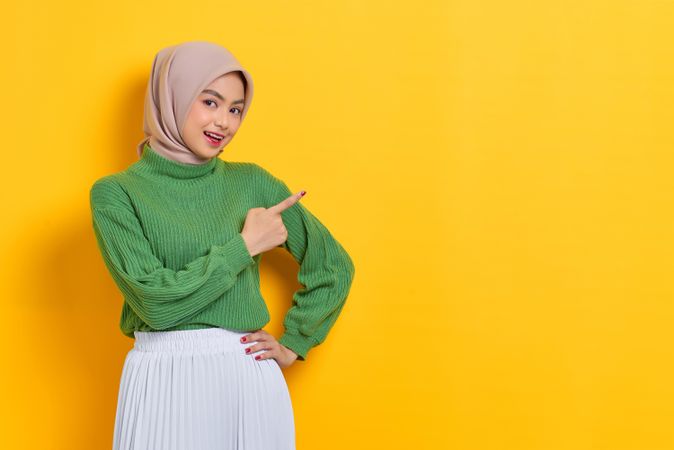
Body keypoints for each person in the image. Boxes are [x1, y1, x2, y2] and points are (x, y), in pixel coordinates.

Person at [89, 40, 356, 450]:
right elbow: (156, 306)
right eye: (210, 102)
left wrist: (293, 343)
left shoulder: (251, 182)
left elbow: (333, 266)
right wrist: (244, 246)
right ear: (170, 96)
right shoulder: (117, 194)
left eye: (235, 109)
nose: (225, 123)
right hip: (161, 375)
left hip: (245, 376)